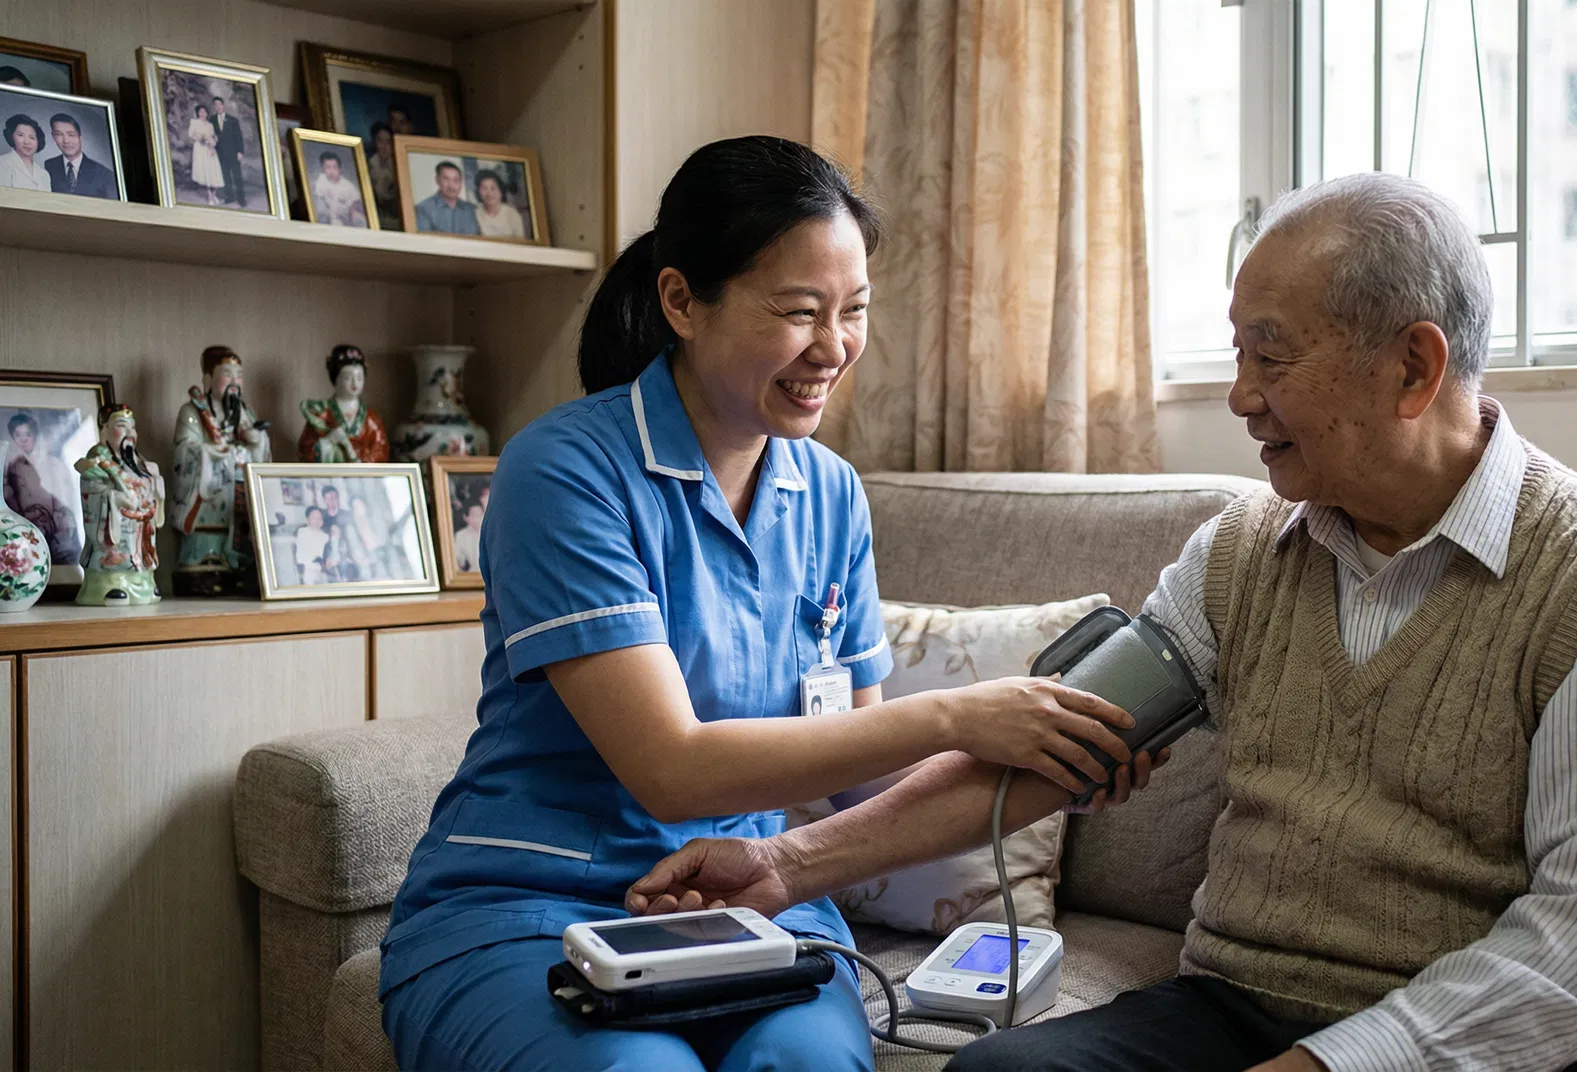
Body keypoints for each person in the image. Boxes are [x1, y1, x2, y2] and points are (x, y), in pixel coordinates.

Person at [631, 173, 1577, 1072]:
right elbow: (1059, 744)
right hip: (1230, 1009)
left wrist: (1336, 1065)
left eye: (1272, 356)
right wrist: (790, 864)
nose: (1241, 395)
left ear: (1413, 368)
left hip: (1479, 1043)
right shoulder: (1245, 550)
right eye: (1237, 353)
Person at [378, 135, 1161, 1072]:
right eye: (799, 312)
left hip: (751, 905)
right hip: (535, 900)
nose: (833, 349)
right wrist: (958, 711)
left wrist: (1065, 750)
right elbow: (671, 769)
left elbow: (867, 779)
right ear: (681, 302)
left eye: (855, 312)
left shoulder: (829, 491)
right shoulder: (565, 472)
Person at [171, 346, 272, 587]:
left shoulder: (245, 412)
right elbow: (184, 451)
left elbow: (260, 453)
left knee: (243, 534)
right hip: (210, 494)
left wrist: (257, 442)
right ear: (208, 379)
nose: (235, 382)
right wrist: (211, 452)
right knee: (209, 542)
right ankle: (205, 562)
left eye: (239, 375)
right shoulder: (192, 412)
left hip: (239, 493)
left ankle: (242, 565)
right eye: (227, 374)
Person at [73, 404, 165, 605]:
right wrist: (114, 498)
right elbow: (93, 490)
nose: (130, 433)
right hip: (114, 532)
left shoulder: (139, 464)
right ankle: (108, 585)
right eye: (122, 426)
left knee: (140, 554)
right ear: (104, 429)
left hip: (140, 531)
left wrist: (156, 483)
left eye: (132, 427)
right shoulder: (97, 462)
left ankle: (144, 583)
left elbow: (151, 492)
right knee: (114, 558)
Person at [5, 411, 80, 562]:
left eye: (28, 434)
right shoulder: (10, 467)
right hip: (28, 528)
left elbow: (67, 497)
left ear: (35, 435)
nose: (24, 439)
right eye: (18, 435)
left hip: (57, 525)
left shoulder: (54, 464)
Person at [299, 345, 388, 462]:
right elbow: (305, 450)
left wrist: (364, 462)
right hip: (330, 478)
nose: (355, 383)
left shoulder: (371, 417)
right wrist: (328, 441)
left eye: (359, 378)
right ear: (335, 379)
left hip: (363, 477)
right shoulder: (320, 413)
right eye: (348, 378)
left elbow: (381, 448)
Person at [44, 113, 116, 198]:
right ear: (53, 137)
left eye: (71, 135)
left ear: (80, 138)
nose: (66, 140)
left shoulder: (104, 174)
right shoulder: (49, 166)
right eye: (59, 134)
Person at [413, 160, 480, 235]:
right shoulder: (423, 209)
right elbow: (424, 242)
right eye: (446, 179)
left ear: (461, 183)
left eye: (456, 180)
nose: (451, 185)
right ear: (437, 180)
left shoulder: (472, 210)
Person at [307, 150, 366, 226]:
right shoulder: (321, 180)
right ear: (323, 169)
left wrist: (353, 211)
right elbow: (319, 198)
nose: (331, 171)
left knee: (360, 220)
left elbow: (357, 201)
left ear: (339, 169)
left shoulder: (348, 186)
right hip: (331, 215)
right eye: (327, 167)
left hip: (347, 214)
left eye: (334, 167)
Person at [364, 121, 401, 230]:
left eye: (388, 142)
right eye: (380, 141)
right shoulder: (367, 167)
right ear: (375, 142)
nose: (384, 146)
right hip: (376, 222)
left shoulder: (400, 166)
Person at [210, 96, 245, 206]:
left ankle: (241, 199)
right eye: (216, 105)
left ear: (223, 105)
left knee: (237, 177)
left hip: (233, 153)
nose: (218, 106)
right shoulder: (211, 120)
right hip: (220, 154)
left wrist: (240, 152)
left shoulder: (233, 120)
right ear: (214, 107)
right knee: (225, 177)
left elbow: (238, 137)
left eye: (220, 104)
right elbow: (211, 136)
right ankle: (229, 197)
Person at [1, 113, 49, 191]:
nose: (27, 142)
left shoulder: (44, 174)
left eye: (32, 137)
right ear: (11, 136)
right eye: (20, 135)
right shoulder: (2, 163)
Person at [472, 169, 525, 239]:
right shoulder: (475, 215)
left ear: (500, 191)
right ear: (478, 192)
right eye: (484, 188)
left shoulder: (512, 214)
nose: (489, 193)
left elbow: (521, 244)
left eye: (493, 188)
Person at [186, 103, 222, 204]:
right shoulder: (194, 122)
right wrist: (199, 138)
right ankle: (210, 196)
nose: (202, 113)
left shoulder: (210, 125)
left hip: (210, 149)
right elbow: (190, 137)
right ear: (198, 113)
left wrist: (213, 142)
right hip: (200, 150)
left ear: (207, 113)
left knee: (214, 171)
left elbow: (213, 137)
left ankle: (214, 194)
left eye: (204, 112)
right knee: (205, 172)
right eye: (200, 112)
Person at [292, 505, 330, 585]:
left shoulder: (325, 536)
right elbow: (301, 556)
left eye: (320, 518)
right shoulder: (302, 532)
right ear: (307, 520)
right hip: (307, 569)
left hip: (322, 570)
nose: (317, 521)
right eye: (314, 518)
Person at [450, 486, 484, 573]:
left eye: (480, 515)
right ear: (466, 518)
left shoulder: (493, 532)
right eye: (474, 516)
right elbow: (458, 561)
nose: (478, 520)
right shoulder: (461, 535)